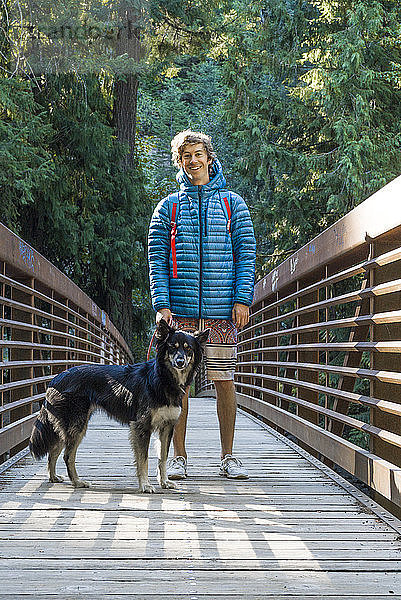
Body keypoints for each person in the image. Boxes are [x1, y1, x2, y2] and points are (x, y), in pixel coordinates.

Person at [148, 130, 256, 479]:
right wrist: (161, 304)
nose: (193, 161)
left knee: (224, 380)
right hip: (179, 312)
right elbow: (157, 258)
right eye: (185, 156)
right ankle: (177, 456)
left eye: (198, 154)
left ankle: (228, 456)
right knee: (178, 385)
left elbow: (246, 253)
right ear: (179, 162)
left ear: (209, 157)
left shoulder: (232, 203)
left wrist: (242, 298)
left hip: (223, 310)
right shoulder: (169, 207)